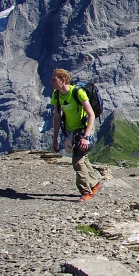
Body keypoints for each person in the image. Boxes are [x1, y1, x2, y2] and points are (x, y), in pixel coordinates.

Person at [50, 68, 101, 201]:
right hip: (72, 131)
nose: (51, 82)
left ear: (63, 80)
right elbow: (57, 116)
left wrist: (86, 136)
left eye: (54, 79)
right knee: (83, 157)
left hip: (85, 130)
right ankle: (95, 183)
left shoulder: (78, 92)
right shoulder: (56, 95)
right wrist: (55, 138)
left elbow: (91, 114)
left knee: (77, 161)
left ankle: (86, 191)